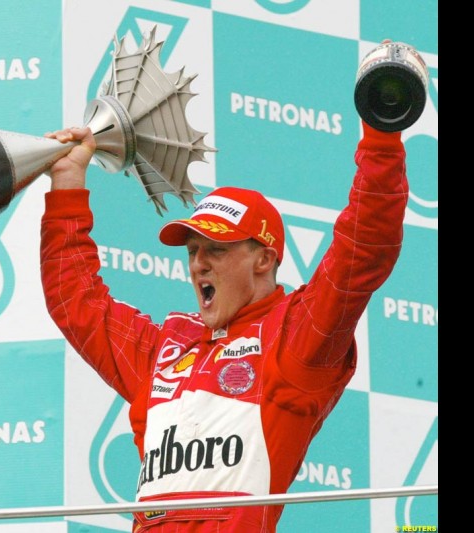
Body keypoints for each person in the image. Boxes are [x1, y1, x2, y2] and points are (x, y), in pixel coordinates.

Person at [40, 117, 408, 532]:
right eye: (193, 250)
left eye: (216, 249)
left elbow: (362, 252)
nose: (199, 263)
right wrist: (68, 182)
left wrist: (381, 136)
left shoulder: (293, 339)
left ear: (264, 259)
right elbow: (74, 300)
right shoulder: (164, 349)